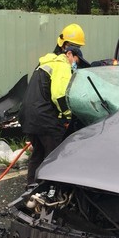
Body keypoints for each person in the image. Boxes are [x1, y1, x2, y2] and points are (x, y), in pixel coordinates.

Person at [19, 25, 89, 186]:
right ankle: (54, 194)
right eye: (76, 51)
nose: (76, 61)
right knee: (56, 157)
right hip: (44, 118)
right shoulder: (62, 64)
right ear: (67, 50)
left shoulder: (45, 62)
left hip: (28, 117)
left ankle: (31, 191)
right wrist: (69, 116)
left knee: (38, 154)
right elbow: (60, 95)